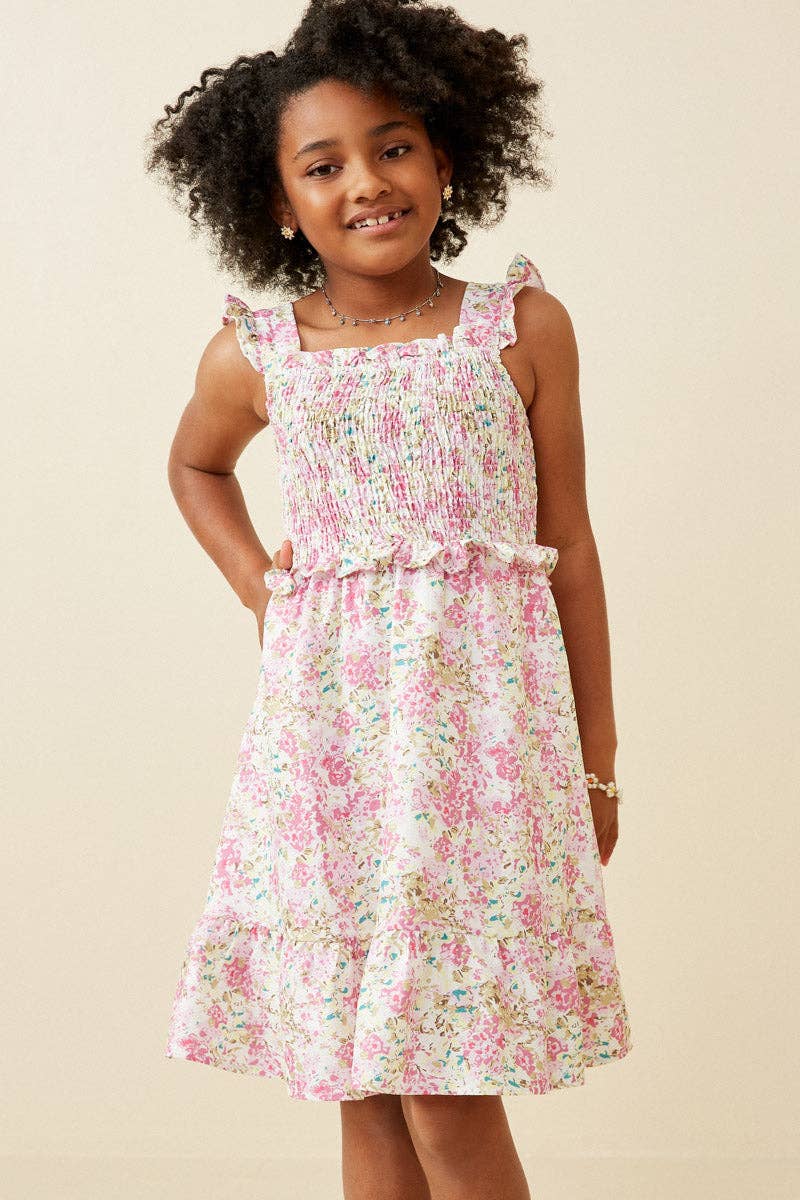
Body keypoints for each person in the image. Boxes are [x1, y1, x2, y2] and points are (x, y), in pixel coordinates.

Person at [146, 1, 632, 1196]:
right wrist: (262, 588)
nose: (365, 182)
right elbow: (195, 468)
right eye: (322, 166)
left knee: (445, 1083)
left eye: (393, 147)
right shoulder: (260, 354)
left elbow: (567, 544)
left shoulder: (517, 329)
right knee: (362, 1085)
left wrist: (595, 763)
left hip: (482, 763)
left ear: (447, 157)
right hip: (327, 761)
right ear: (275, 202)